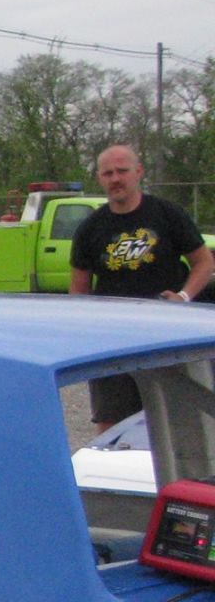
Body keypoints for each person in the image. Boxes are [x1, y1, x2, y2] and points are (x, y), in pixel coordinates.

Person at [69, 143, 214, 428]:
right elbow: (78, 291)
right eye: (108, 173)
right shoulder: (90, 228)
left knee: (180, 422)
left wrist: (183, 297)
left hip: (167, 337)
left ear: (138, 172)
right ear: (99, 178)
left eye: (122, 171)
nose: (115, 179)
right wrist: (84, 332)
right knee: (113, 424)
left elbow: (204, 263)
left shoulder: (167, 214)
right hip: (113, 341)